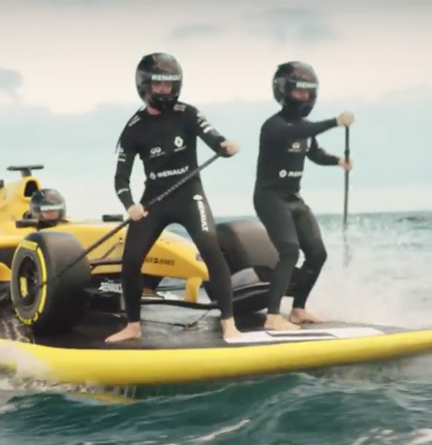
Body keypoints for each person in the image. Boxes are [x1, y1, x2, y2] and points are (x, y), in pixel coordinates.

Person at [105, 52, 241, 343]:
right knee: (130, 260)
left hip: (190, 195)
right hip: (154, 201)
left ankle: (229, 322)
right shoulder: (133, 129)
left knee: (209, 247)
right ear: (145, 86)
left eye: (169, 85)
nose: (164, 90)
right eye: (158, 85)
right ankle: (133, 325)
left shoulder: (188, 113)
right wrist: (130, 205)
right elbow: (120, 178)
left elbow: (213, 137)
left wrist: (225, 145)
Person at [253, 61, 354, 331]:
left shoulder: (306, 127)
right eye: (298, 92)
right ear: (283, 91)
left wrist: (337, 161)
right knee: (290, 250)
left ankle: (298, 310)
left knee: (317, 253)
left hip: (293, 198)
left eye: (308, 93)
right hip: (269, 197)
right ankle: (273, 316)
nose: (304, 98)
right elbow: (297, 132)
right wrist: (334, 122)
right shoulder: (274, 126)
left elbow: (314, 152)